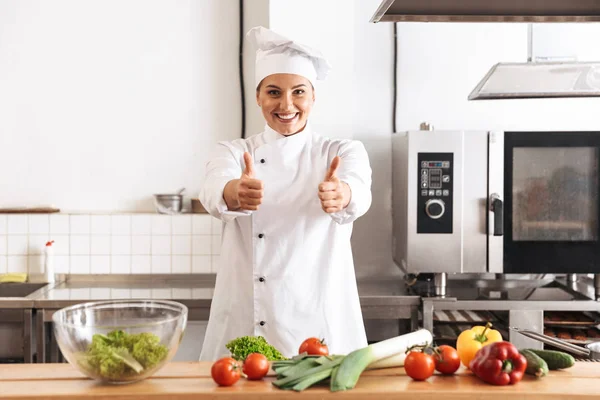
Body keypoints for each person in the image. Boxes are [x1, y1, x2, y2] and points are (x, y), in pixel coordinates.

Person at [198, 26, 372, 361]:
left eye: (299, 92)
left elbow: (359, 191)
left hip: (320, 322)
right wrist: (235, 192)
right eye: (274, 92)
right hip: (248, 318)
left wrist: (343, 194)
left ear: (313, 97)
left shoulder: (341, 151)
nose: (286, 105)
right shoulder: (234, 152)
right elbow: (212, 188)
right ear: (259, 96)